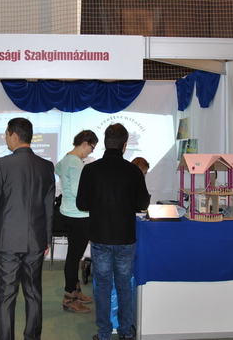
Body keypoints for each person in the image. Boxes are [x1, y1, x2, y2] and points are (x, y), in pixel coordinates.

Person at [0, 118, 55, 340]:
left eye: (6, 134)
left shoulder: (1, 165)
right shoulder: (47, 166)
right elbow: (49, 208)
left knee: (6, 295)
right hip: (36, 240)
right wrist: (47, 239)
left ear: (14, 135)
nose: (5, 138)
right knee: (33, 293)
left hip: (7, 241)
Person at [76, 123, 150, 340]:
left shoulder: (90, 170)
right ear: (124, 146)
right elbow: (143, 204)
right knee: (124, 285)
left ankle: (104, 333)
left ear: (105, 144)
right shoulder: (133, 171)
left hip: (100, 237)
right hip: (125, 238)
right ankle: (125, 332)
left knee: (103, 286)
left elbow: (81, 204)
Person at [54, 130, 98, 313]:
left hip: (68, 212)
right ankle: (69, 298)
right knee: (74, 258)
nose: (91, 151)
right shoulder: (75, 162)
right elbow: (77, 191)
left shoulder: (68, 158)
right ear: (85, 143)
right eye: (92, 147)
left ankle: (76, 291)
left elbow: (57, 169)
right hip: (79, 215)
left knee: (73, 255)